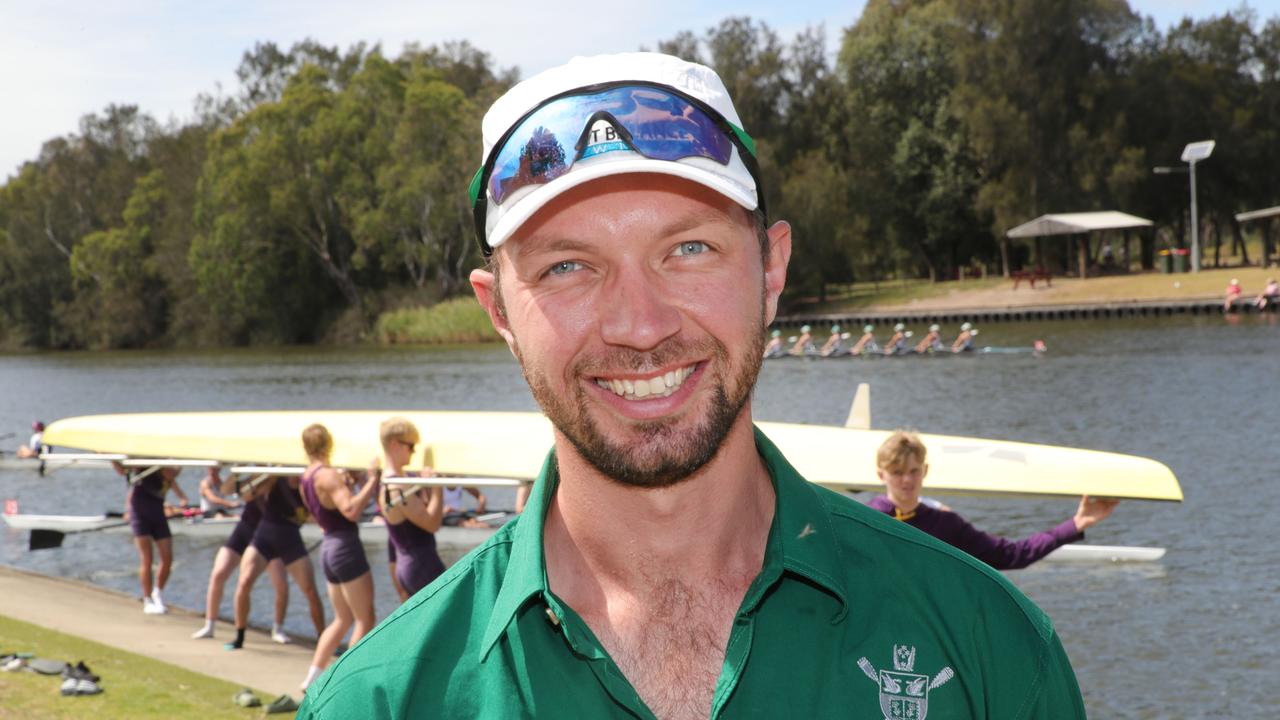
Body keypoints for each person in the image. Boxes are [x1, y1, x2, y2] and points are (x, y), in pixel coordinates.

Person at [300, 52, 1085, 718]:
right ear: (498, 309)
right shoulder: (380, 699)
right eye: (567, 267)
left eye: (690, 249)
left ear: (771, 270)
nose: (639, 326)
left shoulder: (988, 651)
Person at [868, 431, 1118, 570]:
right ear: (882, 475)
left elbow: (1010, 555)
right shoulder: (865, 520)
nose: (906, 481)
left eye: (913, 471)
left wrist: (1075, 525)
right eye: (897, 473)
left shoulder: (946, 524)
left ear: (925, 471)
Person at [298, 423, 379, 692]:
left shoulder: (306, 477)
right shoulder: (328, 475)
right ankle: (344, 683)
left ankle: (311, 677)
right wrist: (372, 481)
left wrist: (350, 484)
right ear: (328, 444)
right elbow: (350, 510)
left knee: (342, 618)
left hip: (328, 546)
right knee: (365, 618)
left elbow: (327, 507)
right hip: (345, 546)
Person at [226, 474, 326, 652]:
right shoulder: (275, 479)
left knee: (310, 590)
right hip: (264, 537)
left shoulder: (308, 486)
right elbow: (246, 494)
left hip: (291, 541)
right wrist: (260, 476)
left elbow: (317, 513)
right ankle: (239, 636)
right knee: (244, 582)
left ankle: (322, 639)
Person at [191, 473, 291, 642]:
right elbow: (227, 490)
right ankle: (209, 625)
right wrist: (240, 473)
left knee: (281, 583)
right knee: (218, 573)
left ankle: (278, 628)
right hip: (245, 529)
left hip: (268, 536)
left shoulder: (281, 482)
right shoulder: (254, 476)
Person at [374, 418, 446, 600]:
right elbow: (432, 524)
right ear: (394, 445)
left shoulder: (389, 480)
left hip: (407, 563)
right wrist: (438, 486)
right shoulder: (397, 485)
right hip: (421, 564)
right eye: (411, 446)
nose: (413, 453)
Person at [111, 461, 188, 614]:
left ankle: (157, 592)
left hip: (158, 513)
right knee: (147, 558)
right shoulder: (144, 465)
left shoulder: (169, 475)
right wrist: (110, 457)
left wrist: (177, 506)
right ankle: (147, 599)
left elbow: (177, 485)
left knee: (167, 557)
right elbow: (122, 470)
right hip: (140, 513)